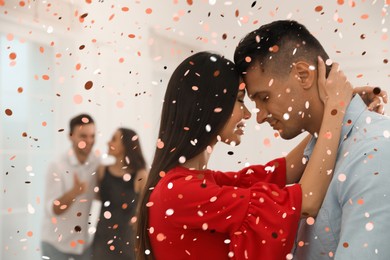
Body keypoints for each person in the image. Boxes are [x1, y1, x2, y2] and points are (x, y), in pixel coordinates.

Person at [135, 51, 354, 260]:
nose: (249, 114)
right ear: (211, 105)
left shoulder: (190, 184)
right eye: (240, 100)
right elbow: (306, 202)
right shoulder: (181, 192)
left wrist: (333, 111)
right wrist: (336, 109)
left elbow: (282, 171)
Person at [234, 20, 390, 259]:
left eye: (264, 98)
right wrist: (337, 109)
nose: (260, 117)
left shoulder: (375, 151)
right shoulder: (322, 153)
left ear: (303, 75)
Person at [41, 113, 100, 260]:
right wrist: (74, 193)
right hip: (56, 246)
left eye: (92, 136)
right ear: (70, 136)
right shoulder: (57, 166)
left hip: (83, 246)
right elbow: (53, 209)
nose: (89, 141)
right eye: (83, 136)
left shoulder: (97, 163)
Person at [92, 128, 148, 260]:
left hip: (127, 244)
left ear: (125, 145)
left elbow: (144, 212)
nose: (108, 142)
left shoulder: (140, 175)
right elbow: (97, 197)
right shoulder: (101, 170)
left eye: (113, 139)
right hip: (102, 242)